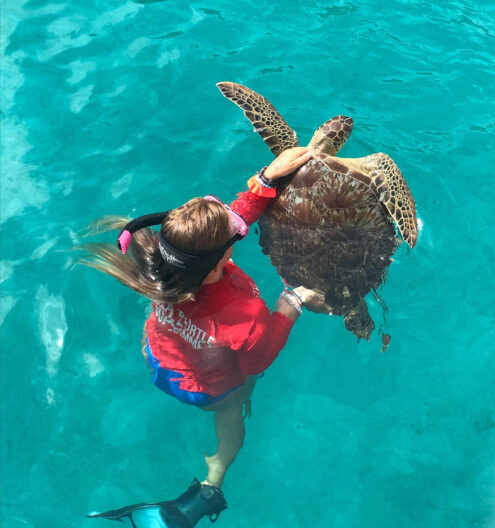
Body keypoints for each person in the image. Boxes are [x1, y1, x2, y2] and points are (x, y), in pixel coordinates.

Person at [81, 147, 327, 527]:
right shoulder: (242, 316)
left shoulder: (157, 264)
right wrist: (291, 301)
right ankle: (210, 485)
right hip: (207, 391)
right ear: (219, 261)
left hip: (158, 356)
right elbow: (257, 360)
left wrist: (265, 182)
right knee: (235, 411)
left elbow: (217, 232)